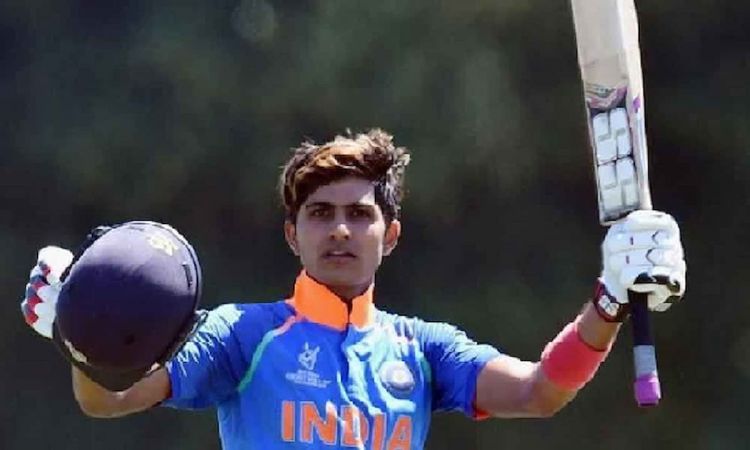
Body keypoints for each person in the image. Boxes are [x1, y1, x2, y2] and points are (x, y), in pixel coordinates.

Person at [21, 128, 686, 449]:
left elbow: (541, 392)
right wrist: (78, 336)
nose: (340, 230)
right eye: (319, 213)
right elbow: (111, 400)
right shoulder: (243, 334)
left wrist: (608, 304)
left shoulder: (423, 349)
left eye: (360, 214)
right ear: (293, 236)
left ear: (389, 235)